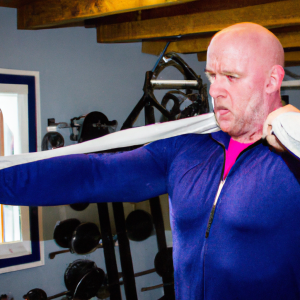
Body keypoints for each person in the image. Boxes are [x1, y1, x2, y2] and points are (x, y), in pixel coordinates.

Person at [1, 22, 300, 299]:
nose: (215, 91)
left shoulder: (291, 164)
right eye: (212, 76)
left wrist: (295, 132)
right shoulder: (187, 149)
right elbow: (92, 174)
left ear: (272, 80)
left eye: (232, 77)